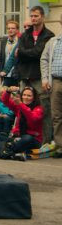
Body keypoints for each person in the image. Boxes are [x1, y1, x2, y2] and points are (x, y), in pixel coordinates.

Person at [16, 6, 54, 144]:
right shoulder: (25, 34)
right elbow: (21, 53)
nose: (33, 18)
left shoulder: (49, 35)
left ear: (42, 17)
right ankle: (23, 138)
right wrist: (23, 53)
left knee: (45, 110)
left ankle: (46, 141)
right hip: (25, 76)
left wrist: (23, 53)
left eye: (36, 16)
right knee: (23, 109)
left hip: (40, 77)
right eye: (31, 16)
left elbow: (39, 53)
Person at [0, 86, 44, 161]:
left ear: (34, 98)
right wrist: (8, 91)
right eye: (24, 95)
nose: (26, 97)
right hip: (16, 138)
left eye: (29, 96)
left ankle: (2, 152)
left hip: (33, 140)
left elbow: (32, 118)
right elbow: (5, 101)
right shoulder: (19, 106)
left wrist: (21, 104)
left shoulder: (39, 109)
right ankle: (7, 153)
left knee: (27, 138)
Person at [41, 13, 62, 158]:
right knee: (57, 115)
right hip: (56, 81)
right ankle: (60, 145)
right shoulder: (54, 41)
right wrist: (45, 79)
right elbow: (44, 59)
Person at [0, 20, 20, 87]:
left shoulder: (20, 41)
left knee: (15, 96)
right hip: (5, 75)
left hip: (17, 75)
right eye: (8, 28)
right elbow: (1, 58)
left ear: (17, 30)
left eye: (13, 28)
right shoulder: (3, 41)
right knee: (3, 95)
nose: (10, 30)